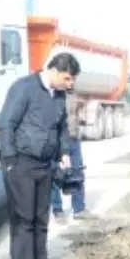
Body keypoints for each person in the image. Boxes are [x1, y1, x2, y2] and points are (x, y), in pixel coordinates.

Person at [0, 52, 80, 259]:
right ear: (53, 71)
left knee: (41, 220)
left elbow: (62, 127)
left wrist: (64, 152)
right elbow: (6, 124)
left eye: (72, 80)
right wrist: (10, 160)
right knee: (24, 222)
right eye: (67, 79)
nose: (70, 84)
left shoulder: (59, 95)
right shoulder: (24, 88)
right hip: (21, 164)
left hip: (45, 166)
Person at [51, 92, 92, 223]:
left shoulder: (73, 94)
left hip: (74, 139)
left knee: (77, 174)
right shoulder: (51, 95)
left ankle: (79, 209)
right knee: (56, 176)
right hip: (57, 141)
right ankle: (58, 210)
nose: (70, 81)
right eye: (68, 78)